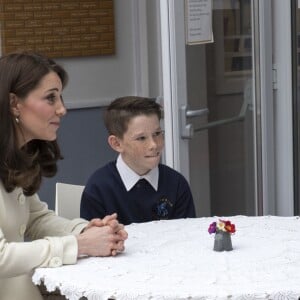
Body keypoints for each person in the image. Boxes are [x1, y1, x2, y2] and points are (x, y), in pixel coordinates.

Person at [0, 51, 128, 300]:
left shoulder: (17, 158)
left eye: (60, 97)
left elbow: (36, 219)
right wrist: (80, 245)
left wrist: (86, 230)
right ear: (14, 103)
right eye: (51, 98)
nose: (62, 109)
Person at [80, 96, 196, 225]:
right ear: (117, 143)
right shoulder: (98, 189)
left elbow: (186, 235)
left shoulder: (176, 183)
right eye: (141, 138)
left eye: (157, 134)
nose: (153, 144)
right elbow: (95, 242)